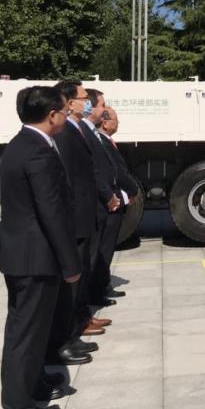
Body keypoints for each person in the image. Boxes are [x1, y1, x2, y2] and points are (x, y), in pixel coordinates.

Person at [0, 86, 78, 409]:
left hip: (23, 256)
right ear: (52, 115)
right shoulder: (38, 153)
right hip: (35, 259)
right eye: (63, 111)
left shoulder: (22, 144)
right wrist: (70, 264)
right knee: (24, 339)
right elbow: (52, 213)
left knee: (27, 334)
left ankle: (27, 398)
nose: (65, 116)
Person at [46, 81, 115, 364]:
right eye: (84, 98)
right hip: (78, 217)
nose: (88, 102)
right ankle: (67, 336)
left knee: (82, 274)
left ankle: (77, 326)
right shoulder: (65, 134)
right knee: (72, 281)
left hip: (86, 214)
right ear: (69, 101)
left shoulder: (77, 130)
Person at [85, 97, 133, 304]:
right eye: (114, 118)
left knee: (106, 248)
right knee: (102, 249)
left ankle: (101, 286)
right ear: (105, 122)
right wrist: (130, 190)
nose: (118, 123)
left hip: (114, 201)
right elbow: (112, 172)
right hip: (108, 204)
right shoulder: (99, 141)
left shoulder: (103, 140)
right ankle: (97, 290)